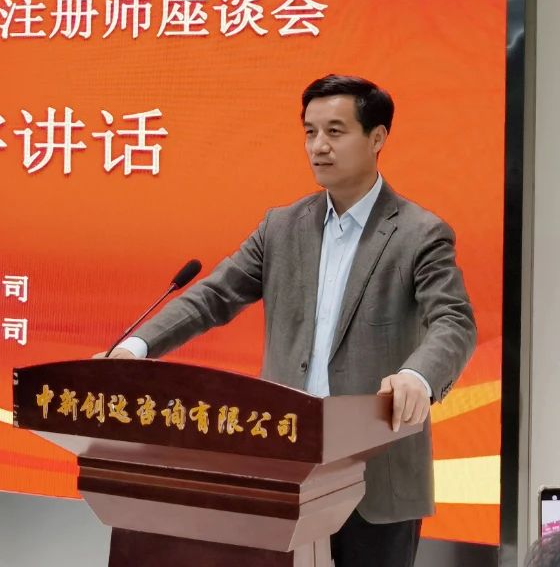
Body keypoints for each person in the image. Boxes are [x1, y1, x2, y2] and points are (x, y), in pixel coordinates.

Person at [99, 74, 476, 567]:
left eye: (335, 131)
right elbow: (213, 295)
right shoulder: (281, 227)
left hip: (375, 474)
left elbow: (453, 319)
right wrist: (135, 348)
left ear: (377, 137)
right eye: (309, 132)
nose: (318, 146)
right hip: (285, 465)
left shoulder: (418, 232)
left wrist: (417, 376)